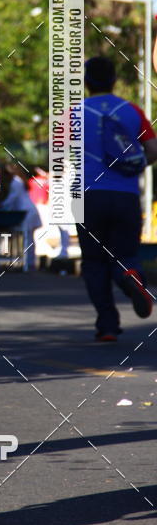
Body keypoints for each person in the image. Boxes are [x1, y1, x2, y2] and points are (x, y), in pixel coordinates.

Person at [78, 56, 156, 342]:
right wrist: (133, 168)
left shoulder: (73, 113)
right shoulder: (132, 111)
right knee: (125, 255)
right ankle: (130, 276)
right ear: (114, 80)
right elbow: (153, 148)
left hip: (87, 196)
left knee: (94, 262)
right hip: (126, 196)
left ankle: (107, 325)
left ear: (86, 82)